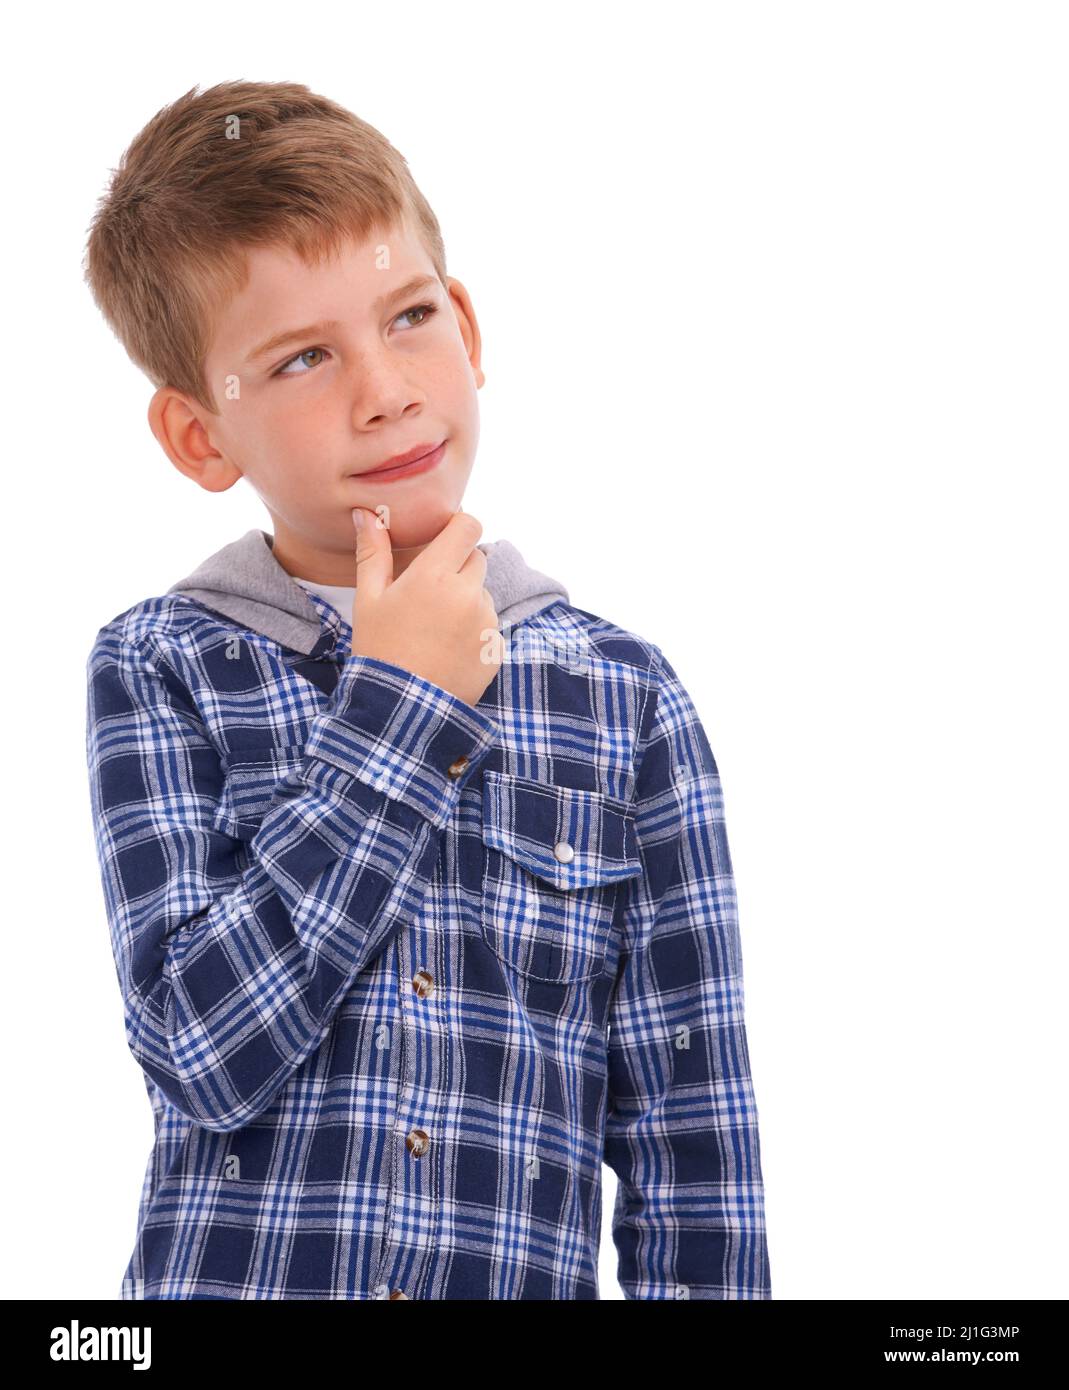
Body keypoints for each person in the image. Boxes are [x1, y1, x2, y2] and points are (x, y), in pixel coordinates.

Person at [83, 80, 771, 1301]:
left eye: (407, 318)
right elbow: (198, 1050)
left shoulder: (627, 699)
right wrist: (399, 705)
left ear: (464, 322)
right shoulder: (162, 666)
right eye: (301, 357)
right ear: (202, 437)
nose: (385, 388)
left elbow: (692, 1146)